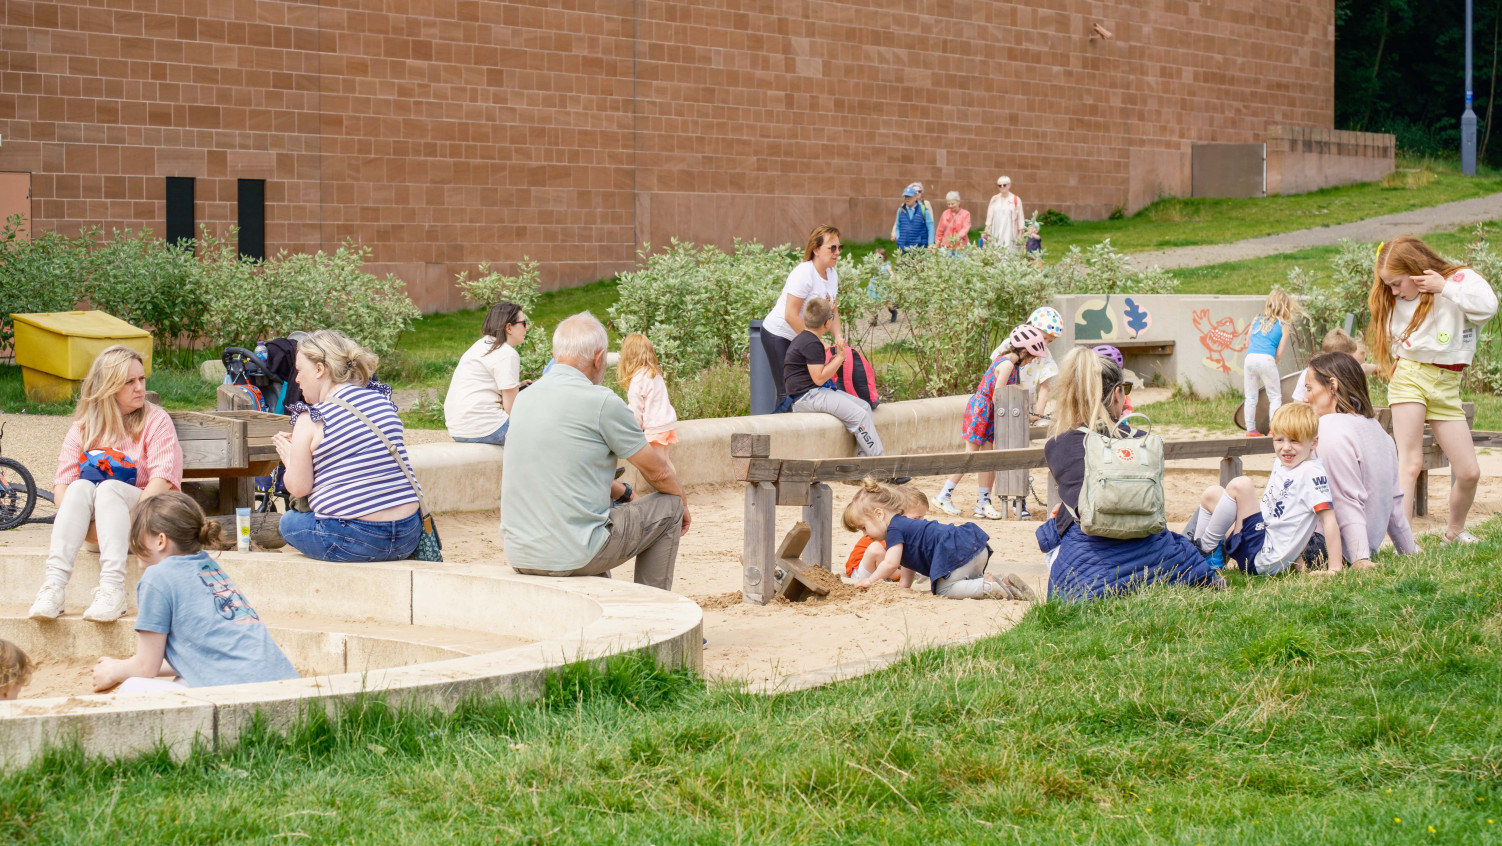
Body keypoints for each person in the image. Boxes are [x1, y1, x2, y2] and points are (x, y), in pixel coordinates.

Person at [502, 313, 690, 590]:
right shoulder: (601, 402)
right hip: (573, 555)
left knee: (589, 518)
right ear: (599, 357)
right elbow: (659, 472)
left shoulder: (524, 399)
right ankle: (653, 612)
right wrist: (683, 504)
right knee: (669, 506)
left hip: (520, 553)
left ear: (555, 353)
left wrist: (624, 492)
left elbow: (561, 468)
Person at [1038, 348, 1224, 601]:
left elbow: (1078, 496)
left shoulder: (1056, 445)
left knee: (1056, 533)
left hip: (1087, 569)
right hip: (1155, 557)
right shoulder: (1142, 441)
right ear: (1117, 394)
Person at [28, 346, 184, 623]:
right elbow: (62, 488)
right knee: (78, 488)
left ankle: (112, 589)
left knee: (109, 487)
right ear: (109, 387)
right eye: (130, 382)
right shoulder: (84, 427)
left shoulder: (155, 419)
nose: (140, 387)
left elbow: (162, 479)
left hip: (147, 523)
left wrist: (130, 523)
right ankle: (53, 587)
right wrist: (91, 528)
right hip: (98, 533)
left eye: (141, 379)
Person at [91, 492, 298, 694]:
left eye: (137, 536)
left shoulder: (157, 576)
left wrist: (114, 671)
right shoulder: (207, 565)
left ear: (160, 540)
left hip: (240, 695)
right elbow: (196, 655)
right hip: (284, 689)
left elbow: (146, 667)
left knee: (132, 687)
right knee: (183, 677)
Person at [1367, 235, 1497, 544]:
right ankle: (1403, 542)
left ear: (1415, 271)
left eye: (1397, 283)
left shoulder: (1460, 279)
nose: (1393, 291)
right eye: (1389, 285)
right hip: (1410, 376)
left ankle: (1454, 531)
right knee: (1410, 461)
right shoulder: (1396, 300)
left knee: (1469, 471)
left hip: (1447, 384)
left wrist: (1445, 288)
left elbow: (1489, 307)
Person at [273, 330, 424, 563]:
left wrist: (291, 457)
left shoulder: (312, 417)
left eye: (300, 370)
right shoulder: (380, 401)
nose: (297, 379)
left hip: (354, 539)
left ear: (319, 370)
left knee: (288, 523)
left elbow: (299, 488)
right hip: (408, 533)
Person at [1187, 403, 1342, 574]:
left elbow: (1328, 520)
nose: (1286, 447)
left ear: (1314, 442)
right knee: (1212, 495)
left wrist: (1334, 569)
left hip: (1265, 557)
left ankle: (1205, 549)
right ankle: (1204, 561)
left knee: (1242, 485)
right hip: (1258, 541)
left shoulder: (1312, 473)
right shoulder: (1282, 464)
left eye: (1294, 440)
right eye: (1279, 440)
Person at [1301, 351, 1417, 569]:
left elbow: (1345, 498)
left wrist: (1360, 559)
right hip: (1362, 545)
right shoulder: (1381, 433)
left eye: (1309, 388)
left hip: (1322, 547)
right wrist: (1409, 551)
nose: (1305, 398)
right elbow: (1394, 504)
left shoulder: (1329, 428)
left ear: (1332, 386)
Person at [842, 478, 1036, 600]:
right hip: (974, 547)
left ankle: (988, 586)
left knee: (943, 589)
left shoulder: (894, 529)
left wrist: (870, 581)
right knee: (962, 582)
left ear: (879, 514)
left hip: (956, 553)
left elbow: (891, 563)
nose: (865, 535)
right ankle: (1003, 582)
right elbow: (907, 562)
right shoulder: (905, 526)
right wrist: (904, 589)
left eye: (863, 527)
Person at [935, 324, 1049, 519]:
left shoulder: (1011, 366)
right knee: (970, 457)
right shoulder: (1006, 366)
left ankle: (982, 502)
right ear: (1022, 352)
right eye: (1030, 356)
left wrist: (1027, 415)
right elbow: (999, 397)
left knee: (988, 459)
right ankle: (943, 495)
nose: (1030, 361)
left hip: (989, 414)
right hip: (982, 412)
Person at [784, 297, 885, 457]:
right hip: (807, 397)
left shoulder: (805, 338)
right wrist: (839, 357)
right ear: (827, 323)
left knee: (864, 407)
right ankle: (881, 465)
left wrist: (835, 359)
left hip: (812, 393)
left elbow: (818, 373)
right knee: (859, 416)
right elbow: (819, 378)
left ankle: (864, 462)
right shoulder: (811, 344)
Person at [760, 224, 845, 406]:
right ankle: (779, 432)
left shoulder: (832, 273)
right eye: (832, 248)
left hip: (803, 339)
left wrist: (838, 335)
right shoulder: (804, 273)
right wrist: (816, 341)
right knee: (788, 393)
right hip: (779, 335)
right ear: (815, 249)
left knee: (807, 391)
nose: (837, 252)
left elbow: (833, 310)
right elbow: (790, 315)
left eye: (839, 247)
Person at [442, 301, 531, 445]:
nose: (527, 328)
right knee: (545, 426)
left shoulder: (480, 345)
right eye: (524, 323)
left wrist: (517, 387)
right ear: (509, 327)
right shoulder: (507, 353)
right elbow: (512, 410)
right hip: (488, 428)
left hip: (458, 430)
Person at [1243, 288, 1302, 436]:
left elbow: (1247, 342)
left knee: (1250, 397)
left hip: (1250, 359)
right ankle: (1273, 430)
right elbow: (1279, 353)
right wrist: (1269, 364)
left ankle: (1251, 430)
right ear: (1285, 307)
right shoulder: (1283, 326)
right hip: (1267, 360)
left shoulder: (1256, 320)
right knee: (1274, 396)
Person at [619, 334, 679, 475]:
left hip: (655, 427)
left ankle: (672, 493)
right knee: (666, 461)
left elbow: (636, 411)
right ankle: (674, 492)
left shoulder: (637, 381)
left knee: (659, 467)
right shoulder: (654, 374)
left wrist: (635, 428)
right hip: (666, 423)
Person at [989, 305, 1064, 418]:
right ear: (1031, 328)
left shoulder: (1045, 355)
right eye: (1043, 338)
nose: (1045, 344)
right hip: (1002, 404)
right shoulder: (1009, 344)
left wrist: (1039, 415)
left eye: (1049, 341)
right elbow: (992, 373)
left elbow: (1044, 388)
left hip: (1027, 408)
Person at [845, 486, 928, 581]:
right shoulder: (887, 530)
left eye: (923, 518)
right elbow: (891, 560)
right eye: (916, 518)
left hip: (878, 570)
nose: (920, 522)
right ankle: (898, 577)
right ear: (900, 514)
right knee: (878, 550)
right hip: (861, 572)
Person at [1290, 329, 1377, 402]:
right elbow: (1297, 403)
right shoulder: (1310, 374)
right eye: (1349, 358)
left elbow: (1363, 368)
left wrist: (1376, 368)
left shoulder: (1345, 371)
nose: (1350, 363)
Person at [984, 176, 1025, 250]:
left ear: (1009, 185)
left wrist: (1020, 234)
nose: (1002, 187)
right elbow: (989, 217)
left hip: (1010, 230)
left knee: (1009, 250)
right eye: (999, 185)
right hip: (996, 229)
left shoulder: (1016, 199)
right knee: (996, 249)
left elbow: (1020, 218)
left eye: (1004, 185)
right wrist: (986, 231)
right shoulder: (994, 199)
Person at [892, 186, 934, 251]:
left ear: (915, 197)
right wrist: (899, 240)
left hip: (920, 249)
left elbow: (930, 227)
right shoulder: (900, 211)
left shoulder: (923, 210)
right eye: (906, 197)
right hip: (904, 249)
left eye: (909, 197)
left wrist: (931, 243)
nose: (907, 199)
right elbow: (898, 227)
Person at [866, 248, 897, 324]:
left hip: (884, 287)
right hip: (876, 286)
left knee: (887, 303)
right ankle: (875, 319)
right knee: (875, 303)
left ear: (884, 257)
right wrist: (870, 283)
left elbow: (892, 274)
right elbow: (873, 275)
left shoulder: (886, 266)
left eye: (879, 257)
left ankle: (893, 312)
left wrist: (891, 280)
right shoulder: (875, 267)